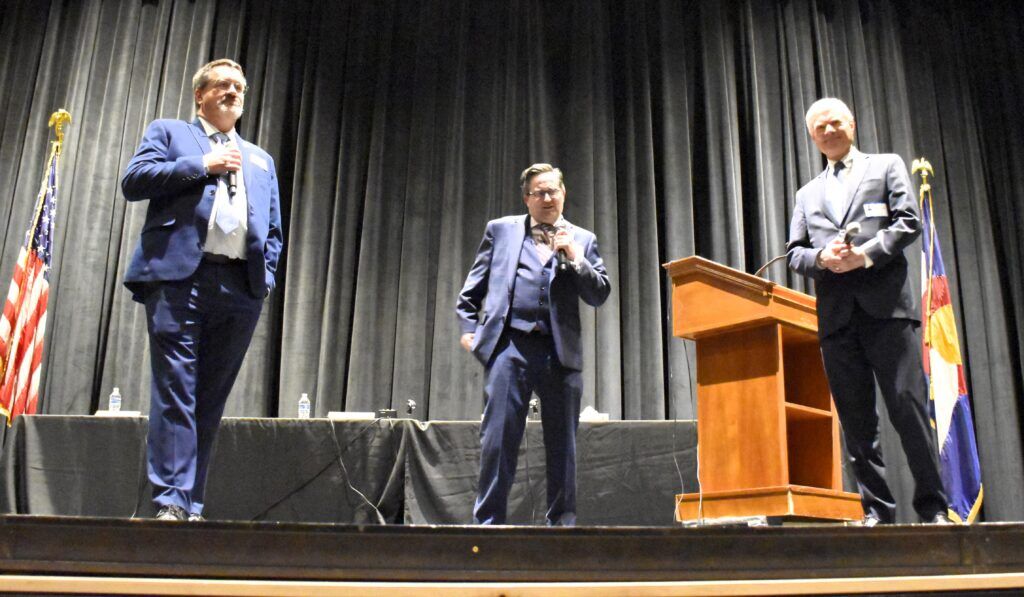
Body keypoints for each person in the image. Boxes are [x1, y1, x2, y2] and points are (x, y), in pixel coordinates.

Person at [121, 59, 283, 521]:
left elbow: (272, 228)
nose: (233, 92)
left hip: (239, 288)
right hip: (179, 280)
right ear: (201, 96)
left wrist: (264, 278)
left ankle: (190, 505)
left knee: (210, 397)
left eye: (239, 87)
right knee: (177, 390)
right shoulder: (171, 133)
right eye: (223, 85)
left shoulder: (260, 158)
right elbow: (134, 182)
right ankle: (170, 501)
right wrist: (202, 164)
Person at [787, 97, 950, 525]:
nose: (828, 131)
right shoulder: (807, 194)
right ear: (811, 136)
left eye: (835, 122)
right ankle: (877, 510)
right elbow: (795, 255)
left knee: (909, 412)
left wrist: (865, 254)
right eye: (819, 127)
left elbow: (908, 221)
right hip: (838, 320)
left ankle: (933, 507)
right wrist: (823, 257)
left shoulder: (886, 166)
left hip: (888, 313)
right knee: (858, 426)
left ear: (852, 125)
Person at [456, 163, 610, 526]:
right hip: (510, 347)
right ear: (527, 198)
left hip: (560, 353)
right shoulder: (501, 231)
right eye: (539, 192)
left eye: (553, 190)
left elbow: (599, 293)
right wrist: (469, 329)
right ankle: (489, 527)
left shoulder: (582, 239)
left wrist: (574, 257)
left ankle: (562, 528)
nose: (547, 198)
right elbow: (471, 291)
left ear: (563, 194)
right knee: (498, 441)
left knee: (563, 447)